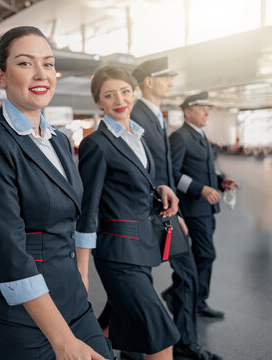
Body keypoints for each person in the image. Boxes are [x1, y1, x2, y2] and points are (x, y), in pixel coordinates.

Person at [0, 26, 111, 360]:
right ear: (1, 76)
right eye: (25, 63)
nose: (41, 73)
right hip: (21, 319)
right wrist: (63, 342)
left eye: (48, 63)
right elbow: (8, 253)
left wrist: (82, 276)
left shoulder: (59, 141)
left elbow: (76, 214)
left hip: (73, 302)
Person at [76, 64, 180, 360]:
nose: (119, 100)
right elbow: (87, 212)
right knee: (160, 335)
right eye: (109, 95)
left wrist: (160, 187)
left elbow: (135, 181)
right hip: (118, 255)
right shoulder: (96, 145)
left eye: (124, 91)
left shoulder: (138, 136)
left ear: (134, 92)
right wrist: (81, 271)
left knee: (113, 323)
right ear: (99, 103)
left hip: (141, 249)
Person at [129, 57, 222, 360]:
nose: (170, 81)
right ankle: (170, 345)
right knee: (139, 281)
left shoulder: (156, 114)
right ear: (148, 82)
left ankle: (178, 343)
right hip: (153, 210)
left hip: (168, 209)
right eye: (165, 77)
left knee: (178, 274)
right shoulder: (137, 114)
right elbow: (141, 166)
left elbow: (165, 168)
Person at [169, 92, 239, 319]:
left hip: (206, 209)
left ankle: (191, 298)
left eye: (207, 108)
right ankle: (184, 296)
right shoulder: (181, 137)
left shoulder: (200, 136)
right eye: (201, 108)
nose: (206, 112)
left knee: (203, 255)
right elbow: (174, 173)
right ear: (187, 111)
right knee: (206, 254)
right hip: (193, 208)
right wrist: (201, 189)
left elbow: (205, 169)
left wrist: (220, 180)